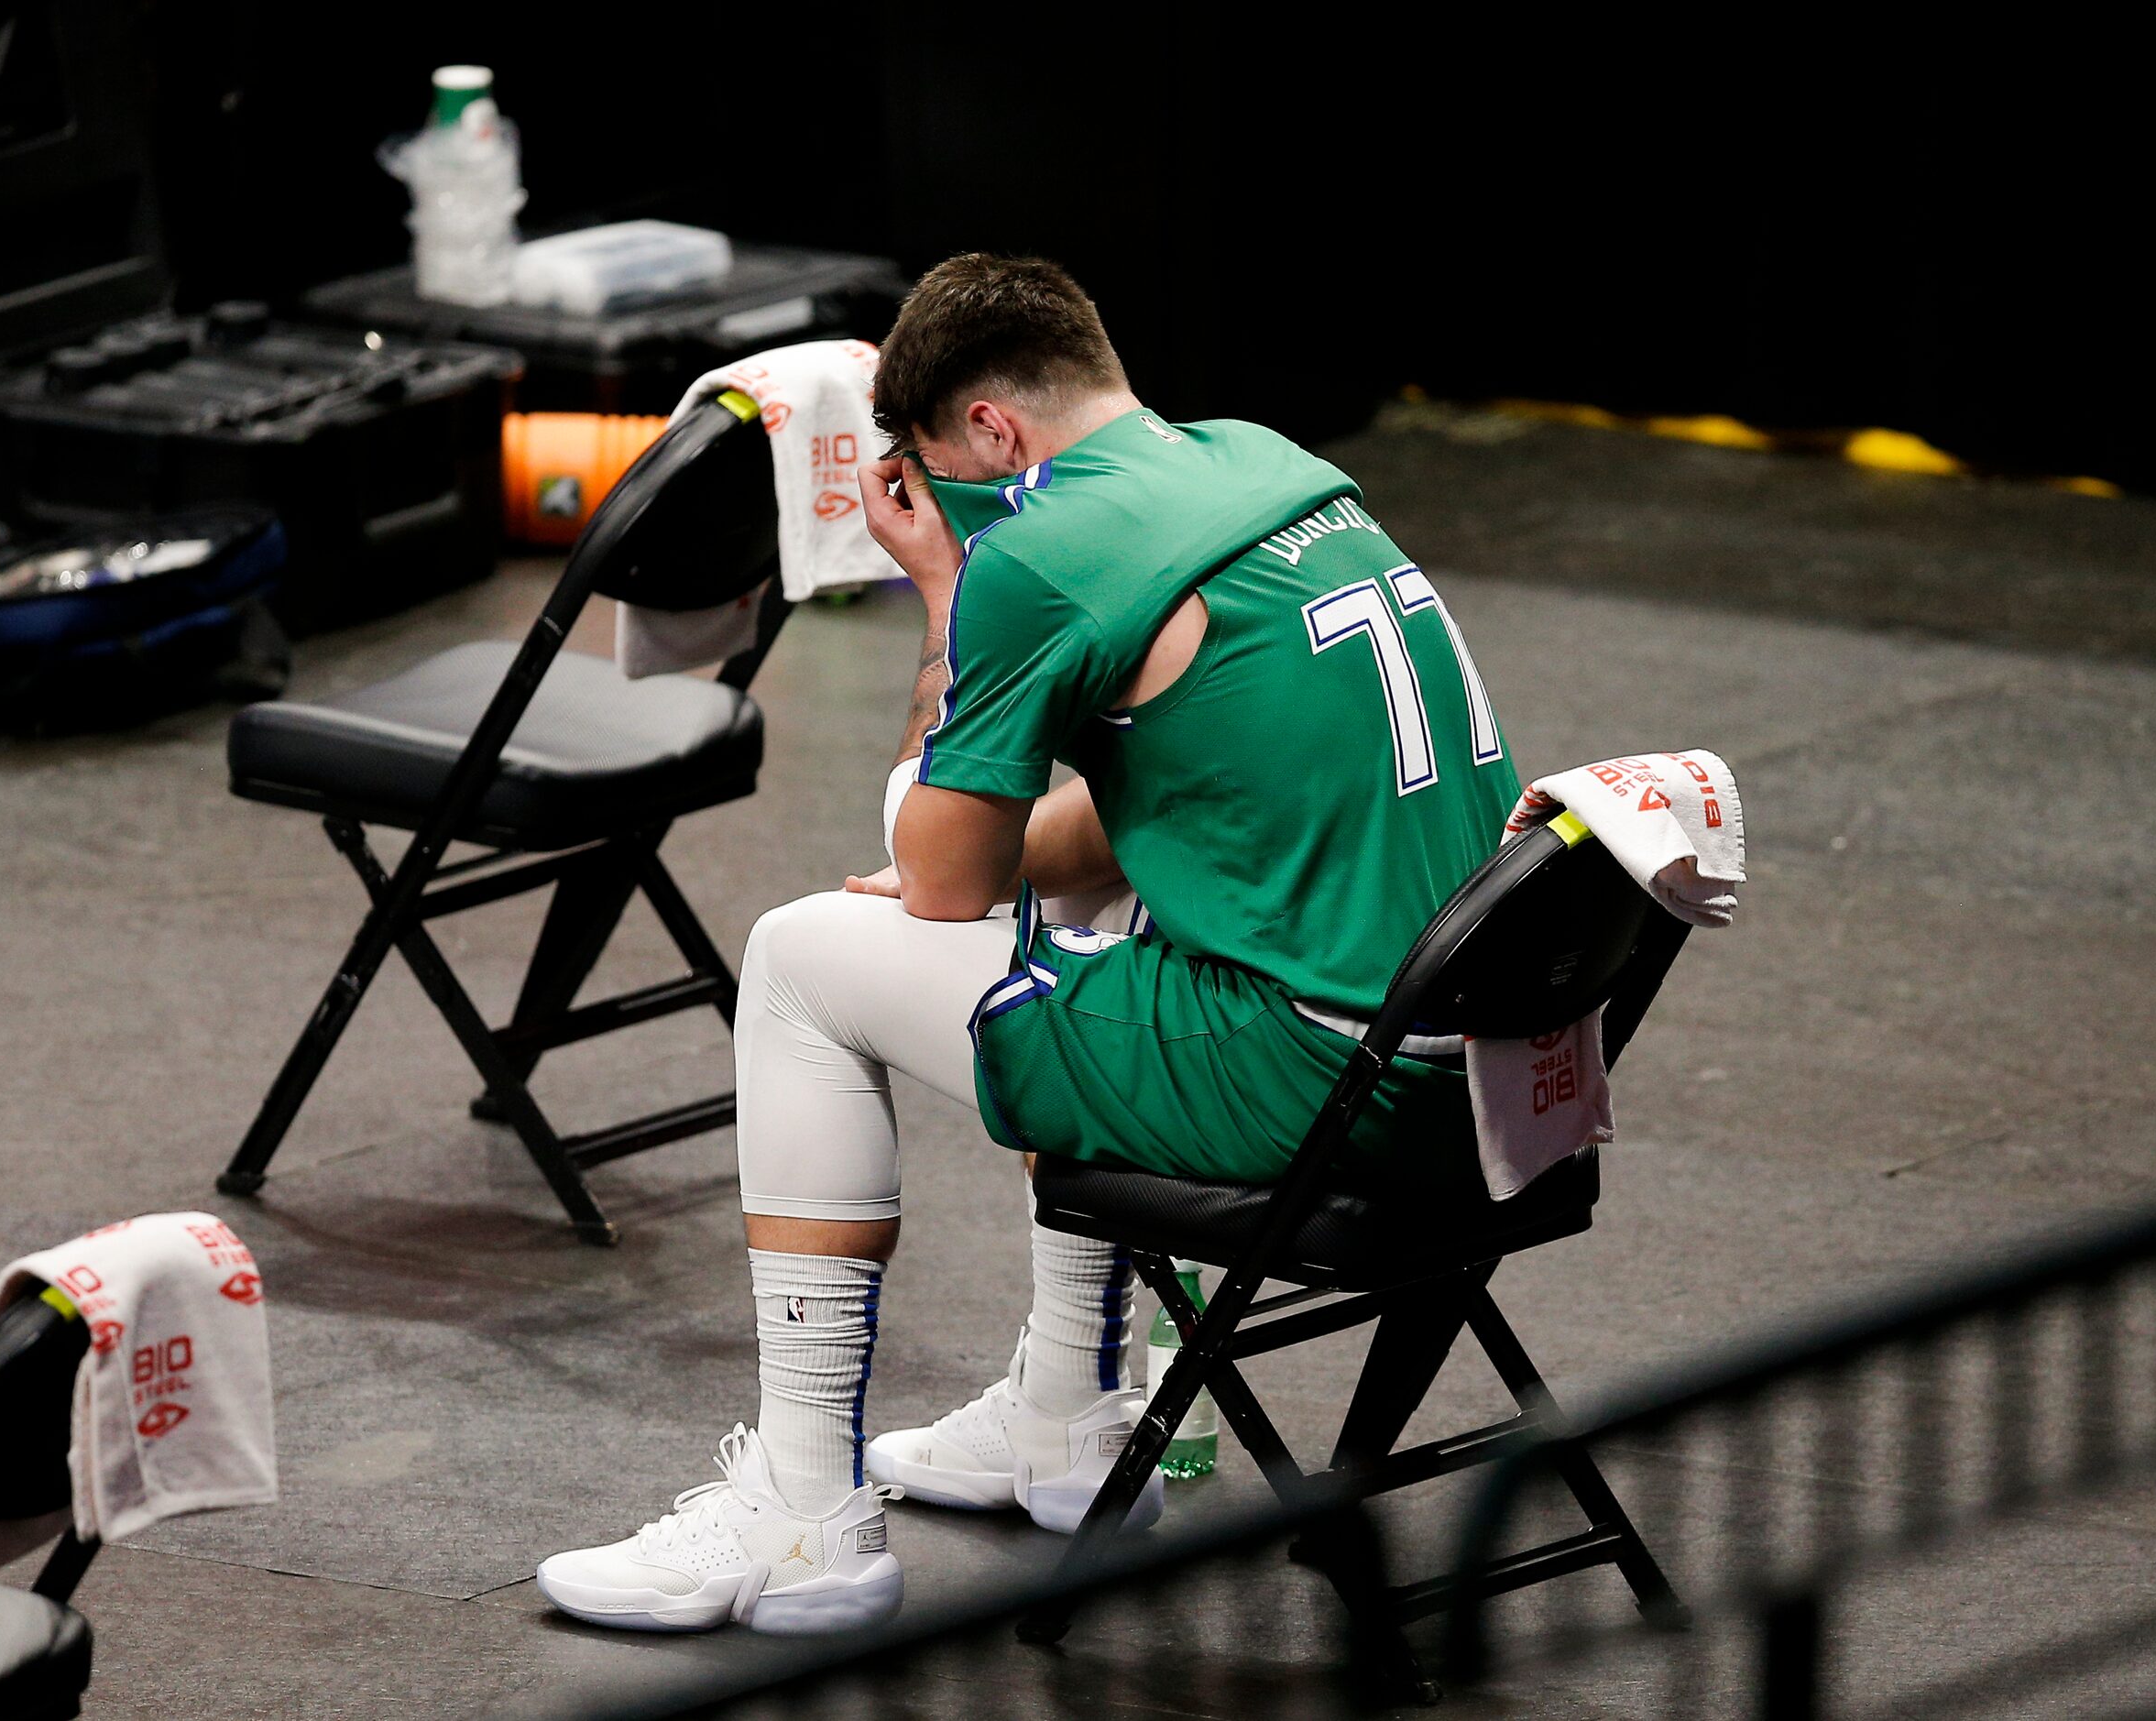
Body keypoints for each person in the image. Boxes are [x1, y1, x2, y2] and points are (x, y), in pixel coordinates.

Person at [535, 256, 1521, 1635]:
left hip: (1321, 1086)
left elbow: (939, 883)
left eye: (940, 463)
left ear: (992, 430)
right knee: (1088, 902)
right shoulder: (1266, 465)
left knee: (800, 957)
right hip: (1492, 1074)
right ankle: (1067, 1408)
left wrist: (943, 584)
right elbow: (1161, 821)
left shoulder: (1042, 555)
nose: (947, 490)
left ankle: (805, 1509)